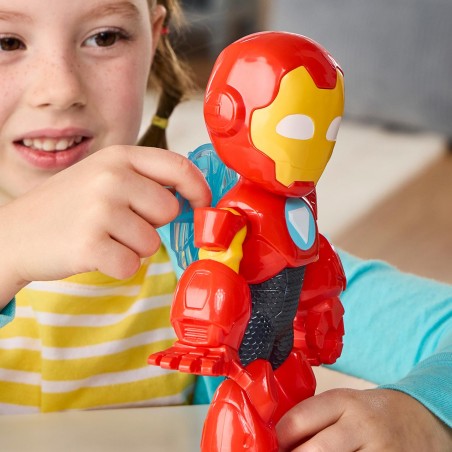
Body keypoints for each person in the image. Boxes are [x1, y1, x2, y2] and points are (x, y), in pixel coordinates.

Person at [0, 0, 449, 450]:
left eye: (105, 37)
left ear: (153, 40)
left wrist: (420, 414)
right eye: (6, 42)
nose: (59, 90)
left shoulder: (220, 242)